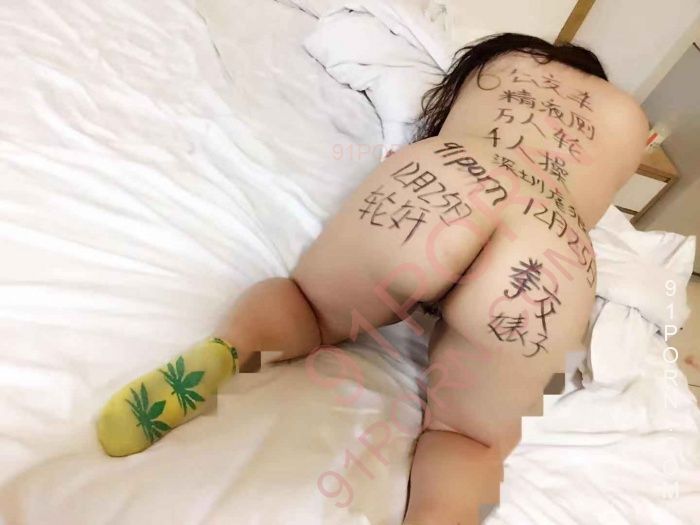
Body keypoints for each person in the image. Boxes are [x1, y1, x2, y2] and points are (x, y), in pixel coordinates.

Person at [97, 33, 648, 524]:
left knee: (306, 306)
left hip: (446, 181)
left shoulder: (502, 58)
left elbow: (438, 121)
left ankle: (225, 352)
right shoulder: (629, 119)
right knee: (471, 441)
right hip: (554, 246)